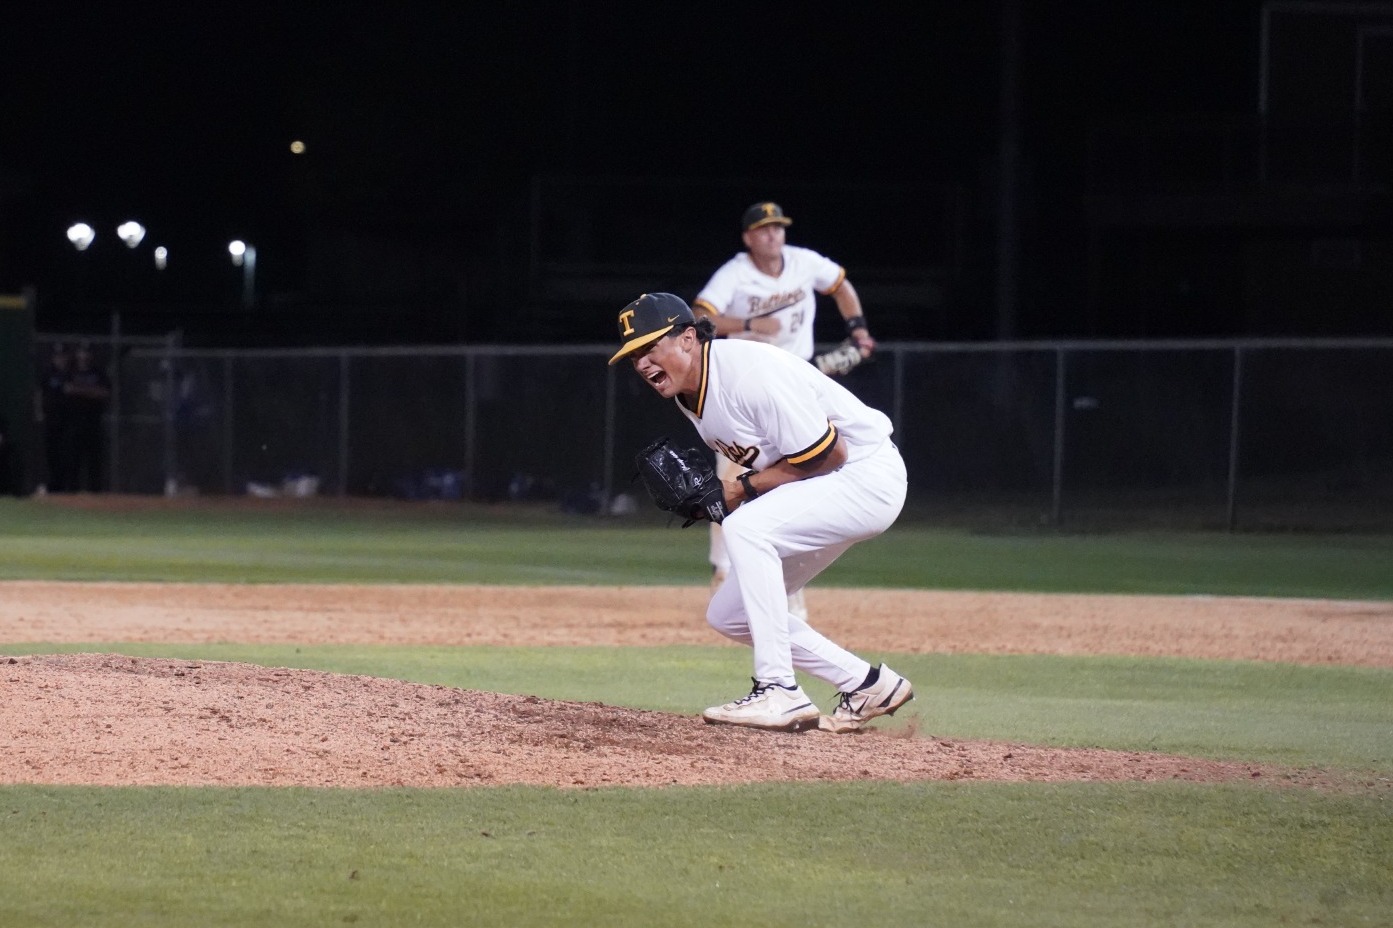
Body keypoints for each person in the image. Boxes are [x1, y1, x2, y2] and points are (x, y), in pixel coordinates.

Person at [609, 292, 911, 733]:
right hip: (831, 483)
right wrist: (723, 496)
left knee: (748, 528)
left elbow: (830, 455)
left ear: (689, 337)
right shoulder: (688, 393)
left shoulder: (748, 373)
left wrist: (738, 491)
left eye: (651, 347)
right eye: (634, 355)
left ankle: (779, 690)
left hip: (866, 475)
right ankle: (867, 684)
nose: (642, 364)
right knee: (728, 613)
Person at [691, 201, 877, 623]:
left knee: (803, 476)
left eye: (778, 228)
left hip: (798, 382)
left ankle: (787, 586)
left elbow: (841, 286)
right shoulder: (736, 272)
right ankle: (724, 571)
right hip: (745, 388)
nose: (773, 235)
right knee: (736, 478)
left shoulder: (803, 262)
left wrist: (858, 328)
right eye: (764, 229)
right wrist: (749, 327)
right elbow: (700, 316)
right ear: (748, 238)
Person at [63, 342, 112, 492]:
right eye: (81, 352)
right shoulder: (70, 371)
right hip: (74, 423)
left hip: (93, 423)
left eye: (86, 352)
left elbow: (104, 393)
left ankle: (95, 496)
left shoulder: (98, 372)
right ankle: (71, 495)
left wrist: (80, 390)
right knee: (73, 461)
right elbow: (66, 389)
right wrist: (91, 392)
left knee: (94, 462)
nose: (83, 356)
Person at [36, 342, 73, 493]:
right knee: (52, 454)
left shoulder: (71, 373)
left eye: (63, 356)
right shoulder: (48, 373)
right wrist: (39, 412)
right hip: (51, 419)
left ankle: (66, 487)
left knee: (67, 455)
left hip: (69, 421)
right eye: (57, 356)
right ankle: (54, 486)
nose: (60, 359)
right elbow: (39, 393)